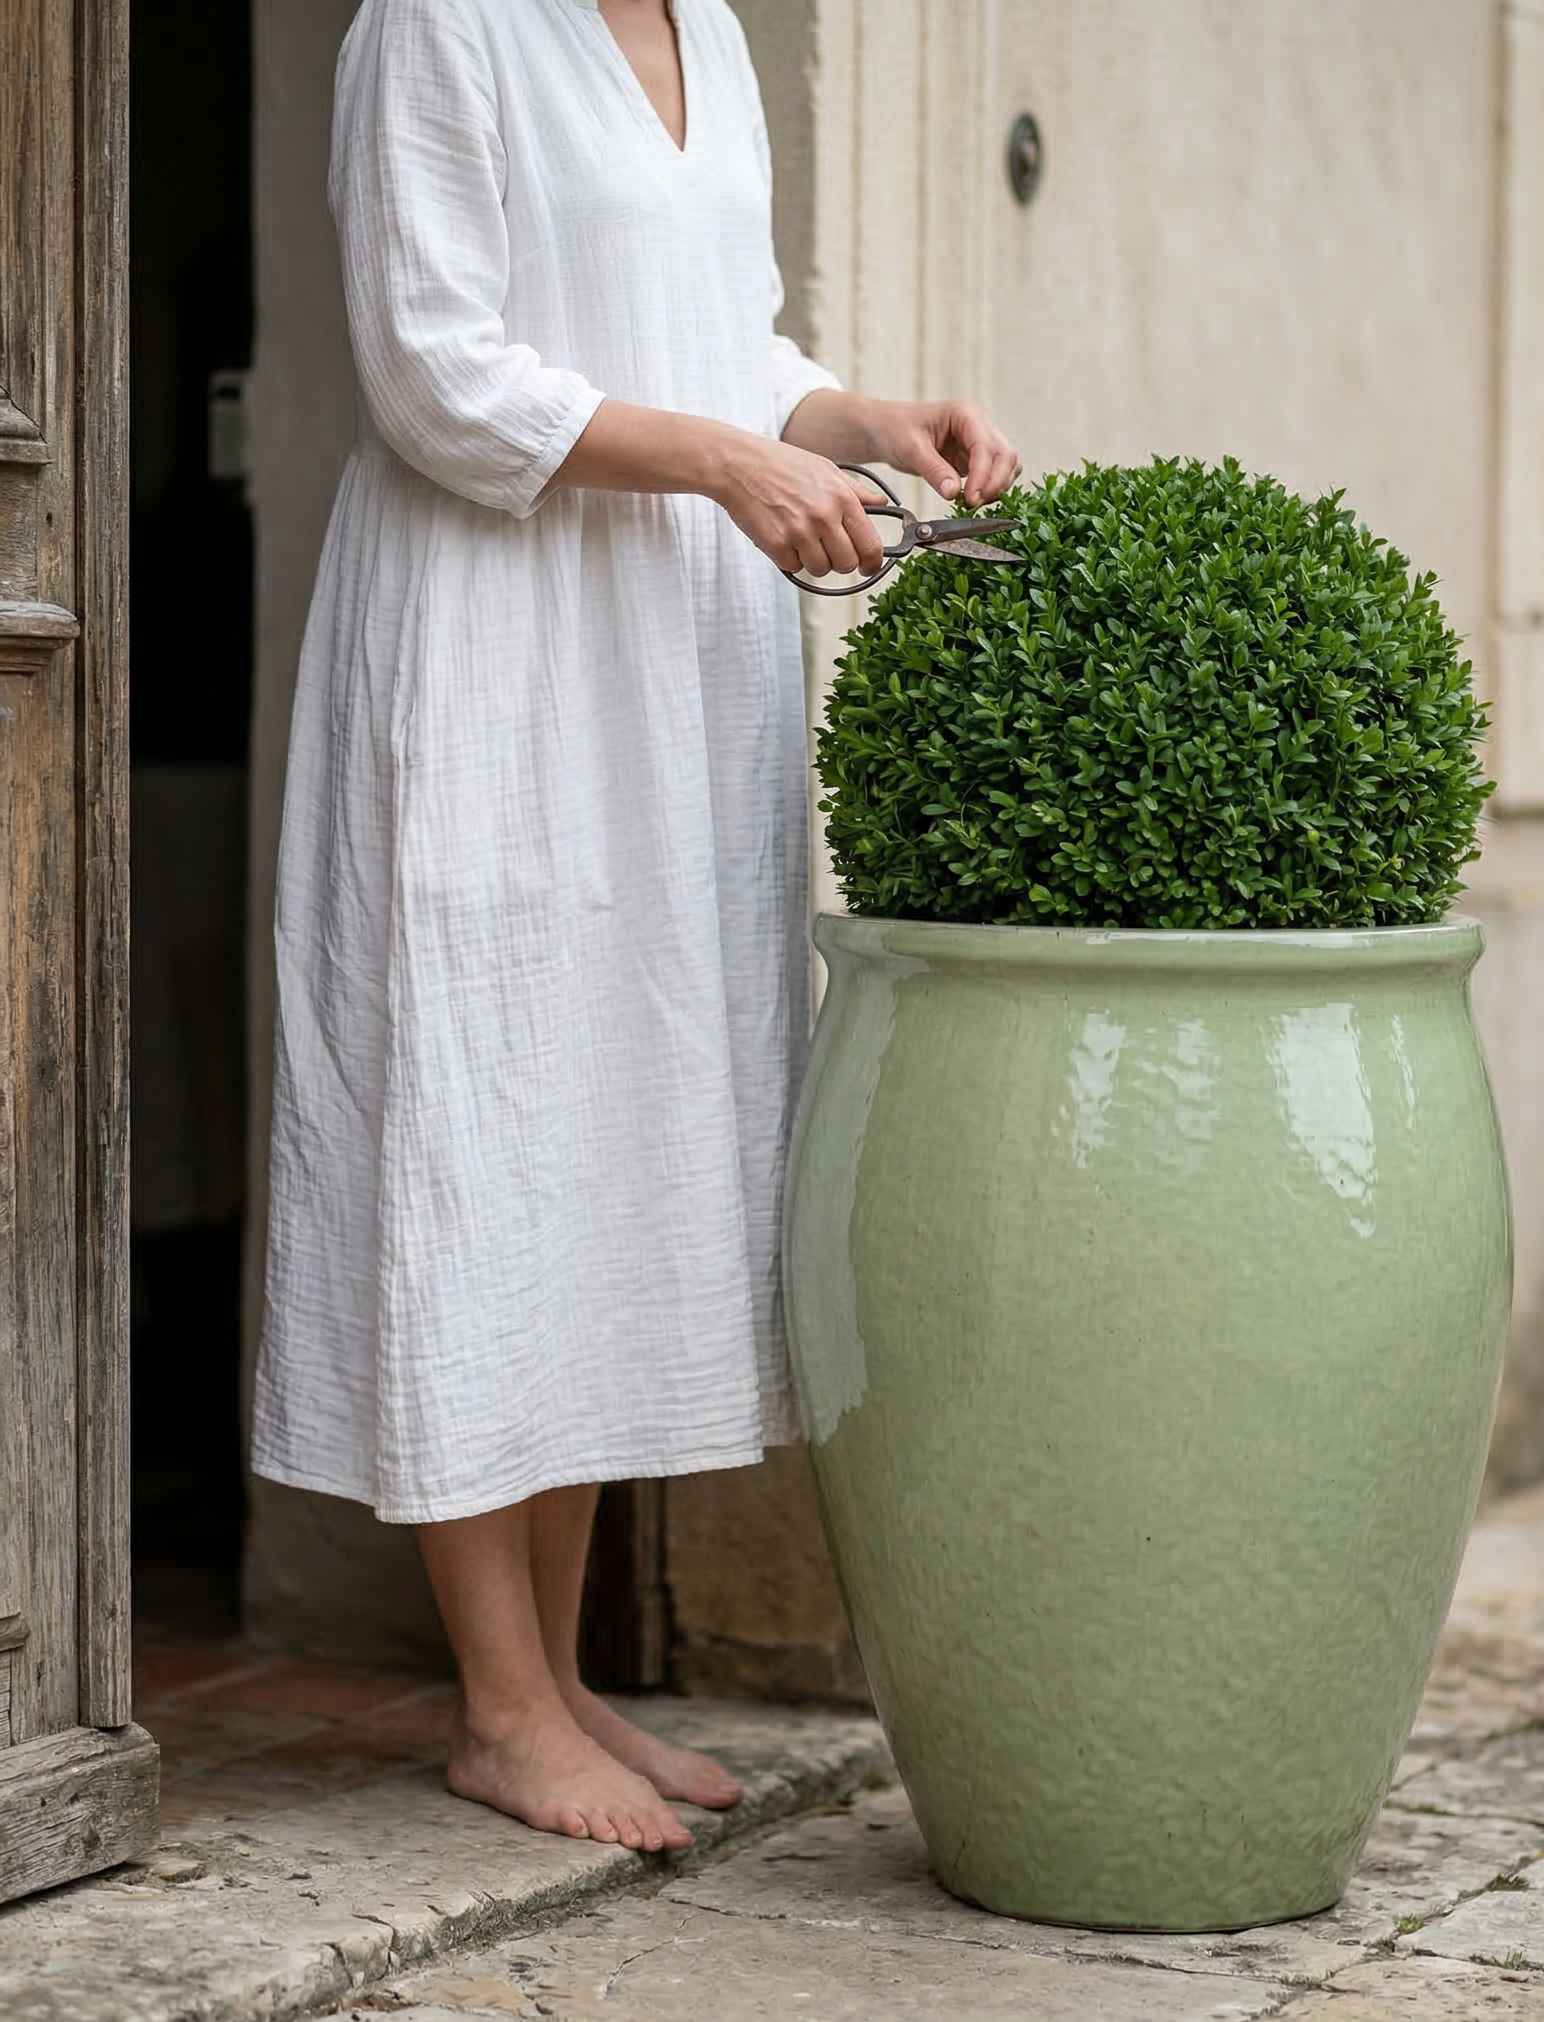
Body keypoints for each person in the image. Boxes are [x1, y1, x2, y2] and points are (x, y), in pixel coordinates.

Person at [252, 0, 1021, 1856]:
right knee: (484, 1120)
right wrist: (731, 471)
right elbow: (433, 368)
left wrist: (848, 418)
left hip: (670, 670)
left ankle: (568, 1679)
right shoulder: (439, 24)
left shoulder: (717, 39)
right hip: (500, 648)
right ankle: (500, 1707)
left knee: (603, 1136)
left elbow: (716, 338)